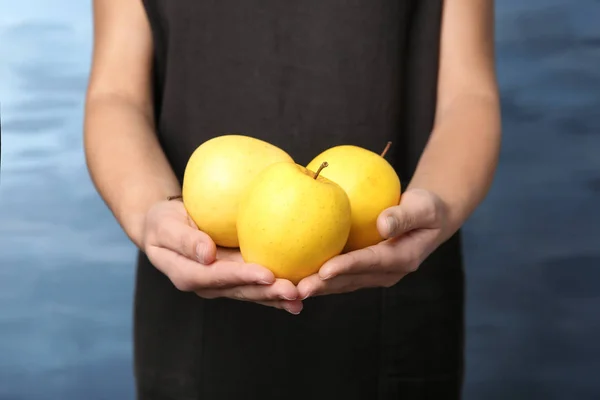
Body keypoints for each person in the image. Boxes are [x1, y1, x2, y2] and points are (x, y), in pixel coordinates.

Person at [84, 0, 500, 398]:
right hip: (195, 281)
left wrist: (439, 205)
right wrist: (149, 212)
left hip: (395, 286)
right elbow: (115, 95)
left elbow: (469, 96)